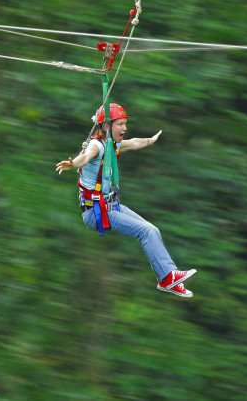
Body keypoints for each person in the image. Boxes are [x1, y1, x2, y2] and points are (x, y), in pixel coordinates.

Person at [55, 103, 197, 297]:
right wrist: (73, 164)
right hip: (96, 212)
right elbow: (86, 157)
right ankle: (169, 276)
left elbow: (134, 142)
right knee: (146, 231)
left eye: (125, 124)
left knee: (152, 230)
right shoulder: (96, 145)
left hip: (111, 205)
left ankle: (166, 280)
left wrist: (151, 140)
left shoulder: (113, 144)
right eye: (120, 124)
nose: (124, 128)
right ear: (106, 126)